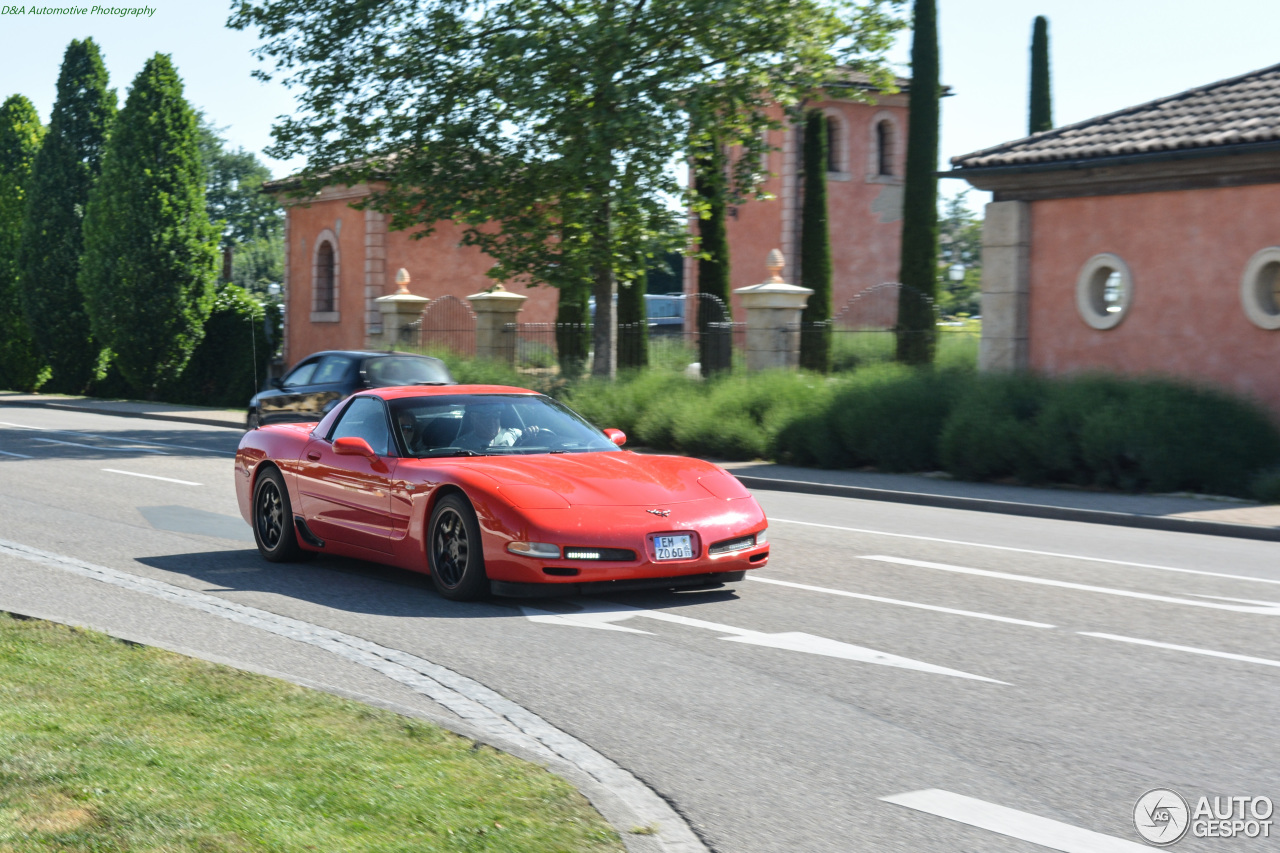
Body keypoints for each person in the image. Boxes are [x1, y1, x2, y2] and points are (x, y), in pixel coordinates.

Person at [453, 403, 540, 451]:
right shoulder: (460, 446)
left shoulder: (517, 434)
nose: (491, 421)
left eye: (495, 416)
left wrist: (532, 435)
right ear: (472, 419)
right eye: (484, 417)